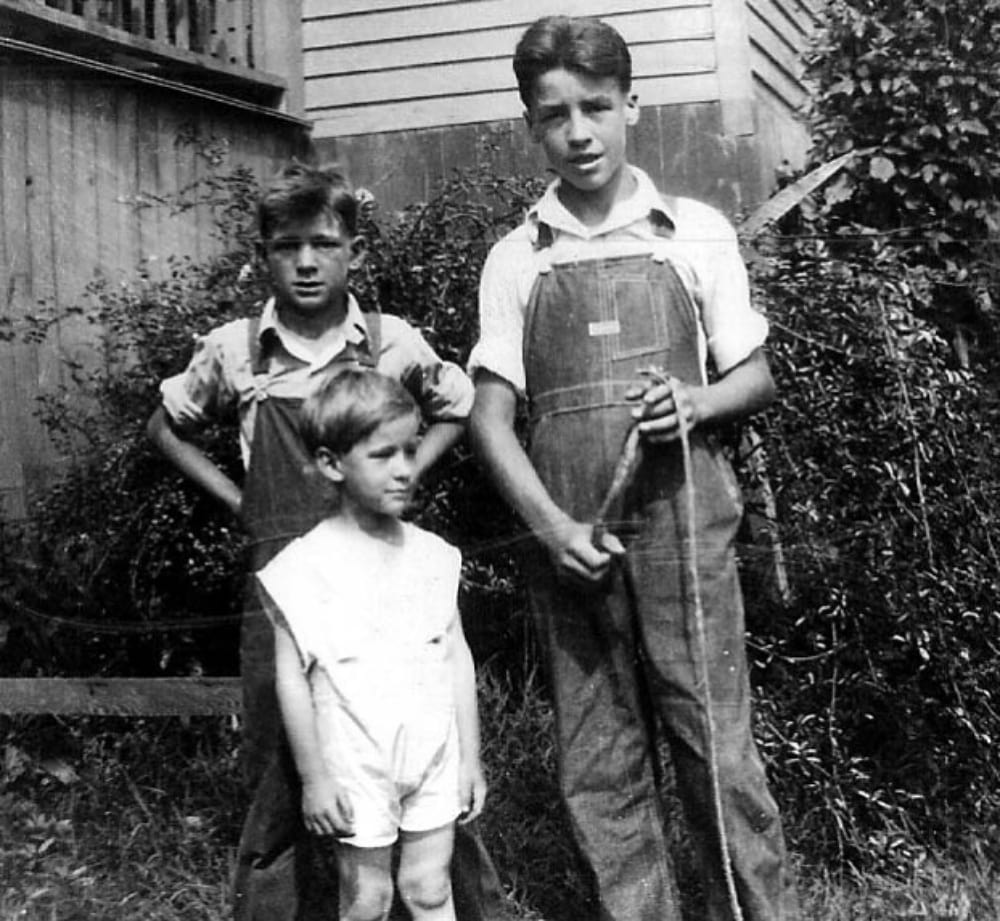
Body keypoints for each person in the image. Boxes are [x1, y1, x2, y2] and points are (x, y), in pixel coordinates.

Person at [468, 15, 798, 921]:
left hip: (685, 517)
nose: (578, 132)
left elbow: (756, 375)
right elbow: (490, 419)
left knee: (713, 738)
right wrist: (550, 527)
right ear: (530, 124)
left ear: (632, 107)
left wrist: (694, 403)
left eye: (597, 107)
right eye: (554, 114)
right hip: (571, 533)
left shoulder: (692, 232)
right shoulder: (516, 257)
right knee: (599, 751)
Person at [147, 162, 505, 921]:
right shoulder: (238, 349)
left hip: (380, 580)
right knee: (283, 766)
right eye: (286, 246)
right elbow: (166, 429)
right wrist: (241, 501)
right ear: (264, 253)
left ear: (355, 252)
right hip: (281, 589)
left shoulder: (389, 342)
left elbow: (459, 406)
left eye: (323, 243)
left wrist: (404, 475)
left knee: (415, 755)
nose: (306, 262)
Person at [256, 368, 486, 921]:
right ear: (332, 463)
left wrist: (469, 758)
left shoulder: (433, 557)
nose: (405, 469)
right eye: (383, 456)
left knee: (431, 888)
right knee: (367, 899)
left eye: (410, 450)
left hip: (431, 753)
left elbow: (456, 657)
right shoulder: (302, 569)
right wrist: (314, 779)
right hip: (355, 760)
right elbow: (291, 680)